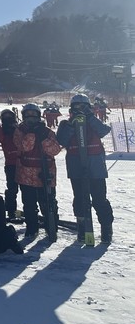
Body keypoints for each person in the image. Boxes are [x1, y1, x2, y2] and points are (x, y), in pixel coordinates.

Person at [56, 93, 114, 243]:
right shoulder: (66, 124)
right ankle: (83, 226)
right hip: (76, 164)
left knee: (99, 199)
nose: (80, 110)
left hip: (95, 166)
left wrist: (90, 117)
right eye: (77, 107)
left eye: (83, 107)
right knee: (80, 198)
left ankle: (106, 228)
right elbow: (61, 140)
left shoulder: (93, 122)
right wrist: (71, 125)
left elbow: (104, 131)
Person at [12, 104, 61, 240]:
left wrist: (43, 138)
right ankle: (32, 228)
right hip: (25, 174)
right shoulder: (20, 131)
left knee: (48, 202)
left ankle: (51, 226)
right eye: (28, 116)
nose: (31, 119)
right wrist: (32, 134)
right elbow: (24, 147)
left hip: (45, 173)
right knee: (29, 204)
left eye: (34, 116)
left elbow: (55, 150)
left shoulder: (47, 132)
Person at [0, 109, 22, 221]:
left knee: (26, 189)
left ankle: (29, 210)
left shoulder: (18, 128)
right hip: (11, 164)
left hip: (23, 163)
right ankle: (11, 211)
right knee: (12, 189)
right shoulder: (3, 131)